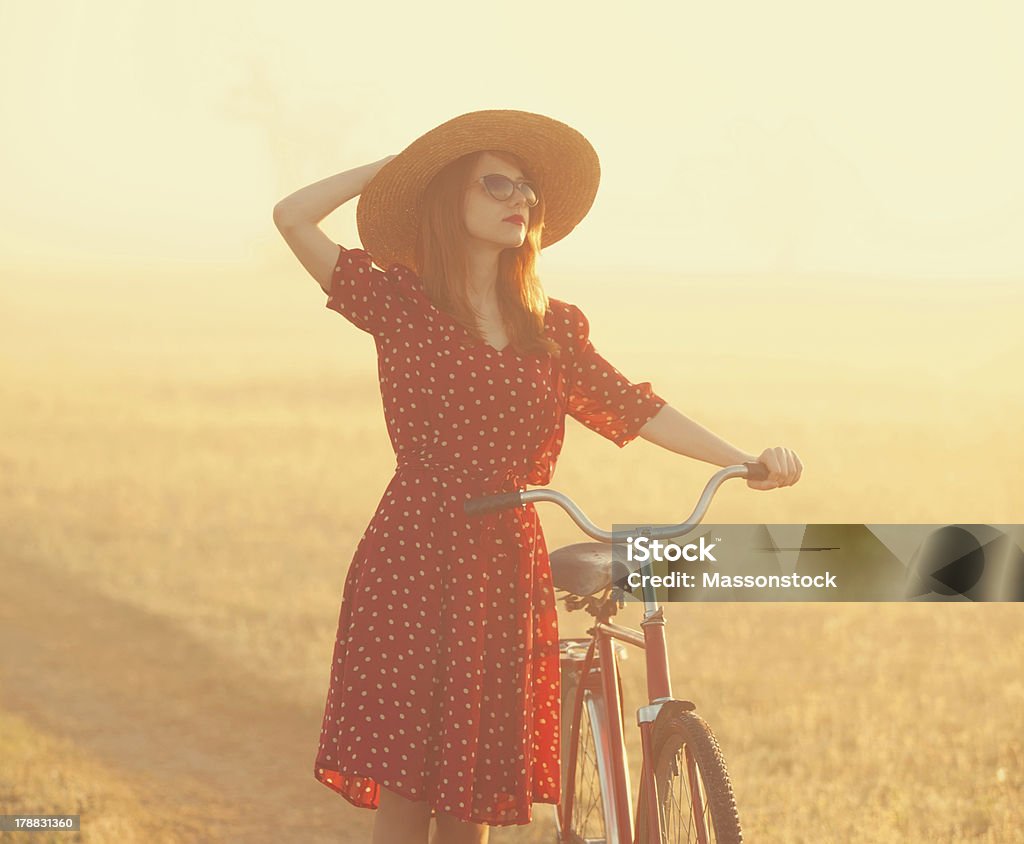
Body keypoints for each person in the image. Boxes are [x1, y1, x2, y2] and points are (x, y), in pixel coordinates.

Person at [273, 109, 802, 844]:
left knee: (475, 789)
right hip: (416, 553)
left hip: (505, 560)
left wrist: (742, 460)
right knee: (409, 788)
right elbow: (292, 216)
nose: (517, 199)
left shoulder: (551, 328)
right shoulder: (401, 302)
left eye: (526, 188)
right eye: (495, 184)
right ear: (447, 197)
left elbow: (634, 408)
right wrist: (397, 169)